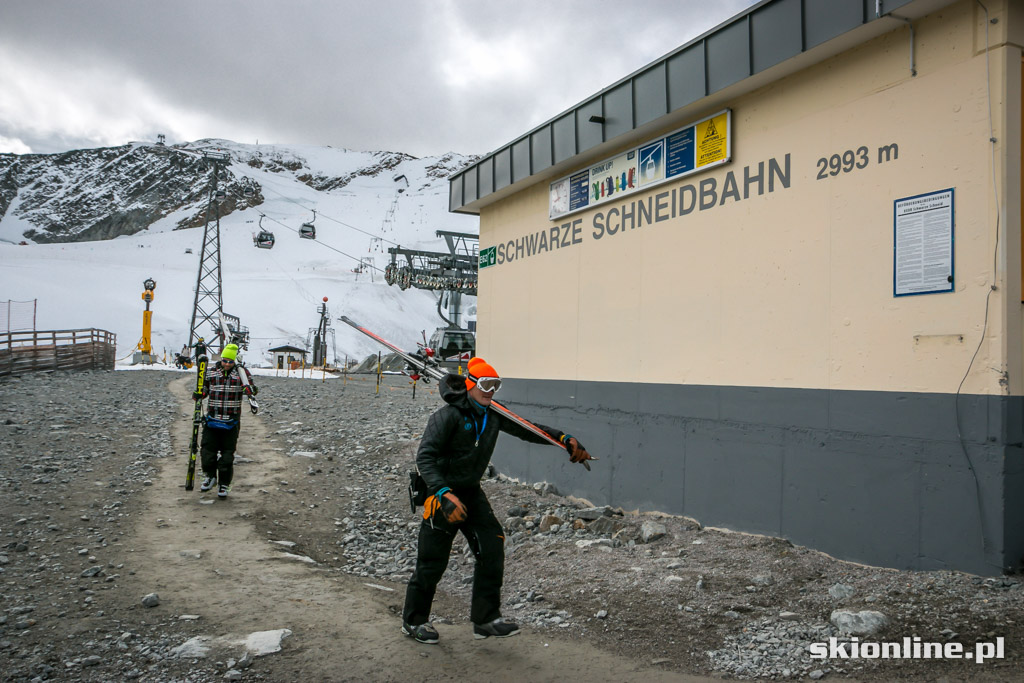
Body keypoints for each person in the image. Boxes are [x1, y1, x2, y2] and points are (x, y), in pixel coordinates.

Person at [402, 356, 592, 644]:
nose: (490, 391)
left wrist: (564, 438)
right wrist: (442, 493)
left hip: (470, 491)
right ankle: (414, 621)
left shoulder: (494, 414)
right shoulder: (446, 417)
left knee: (492, 546)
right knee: (432, 561)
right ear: (470, 384)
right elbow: (424, 458)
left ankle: (485, 619)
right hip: (440, 495)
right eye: (486, 384)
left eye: (496, 385)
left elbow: (529, 429)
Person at [192, 343, 257, 499]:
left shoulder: (241, 374)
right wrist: (199, 394)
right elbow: (205, 389)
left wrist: (249, 390)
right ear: (221, 359)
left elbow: (253, 389)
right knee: (207, 452)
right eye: (225, 360)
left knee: (227, 456)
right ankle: (210, 476)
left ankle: (224, 484)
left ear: (234, 361)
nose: (227, 364)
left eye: (230, 361)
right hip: (212, 419)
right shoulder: (211, 372)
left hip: (231, 422)